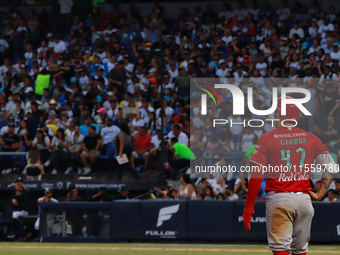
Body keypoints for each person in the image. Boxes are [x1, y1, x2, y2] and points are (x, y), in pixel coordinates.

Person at [243, 97, 339, 255]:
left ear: (278, 115)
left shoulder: (267, 138)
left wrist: (249, 207)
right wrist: (321, 193)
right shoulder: (311, 138)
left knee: (280, 249)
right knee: (300, 251)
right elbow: (331, 167)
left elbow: (257, 175)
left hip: (280, 199)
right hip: (304, 200)